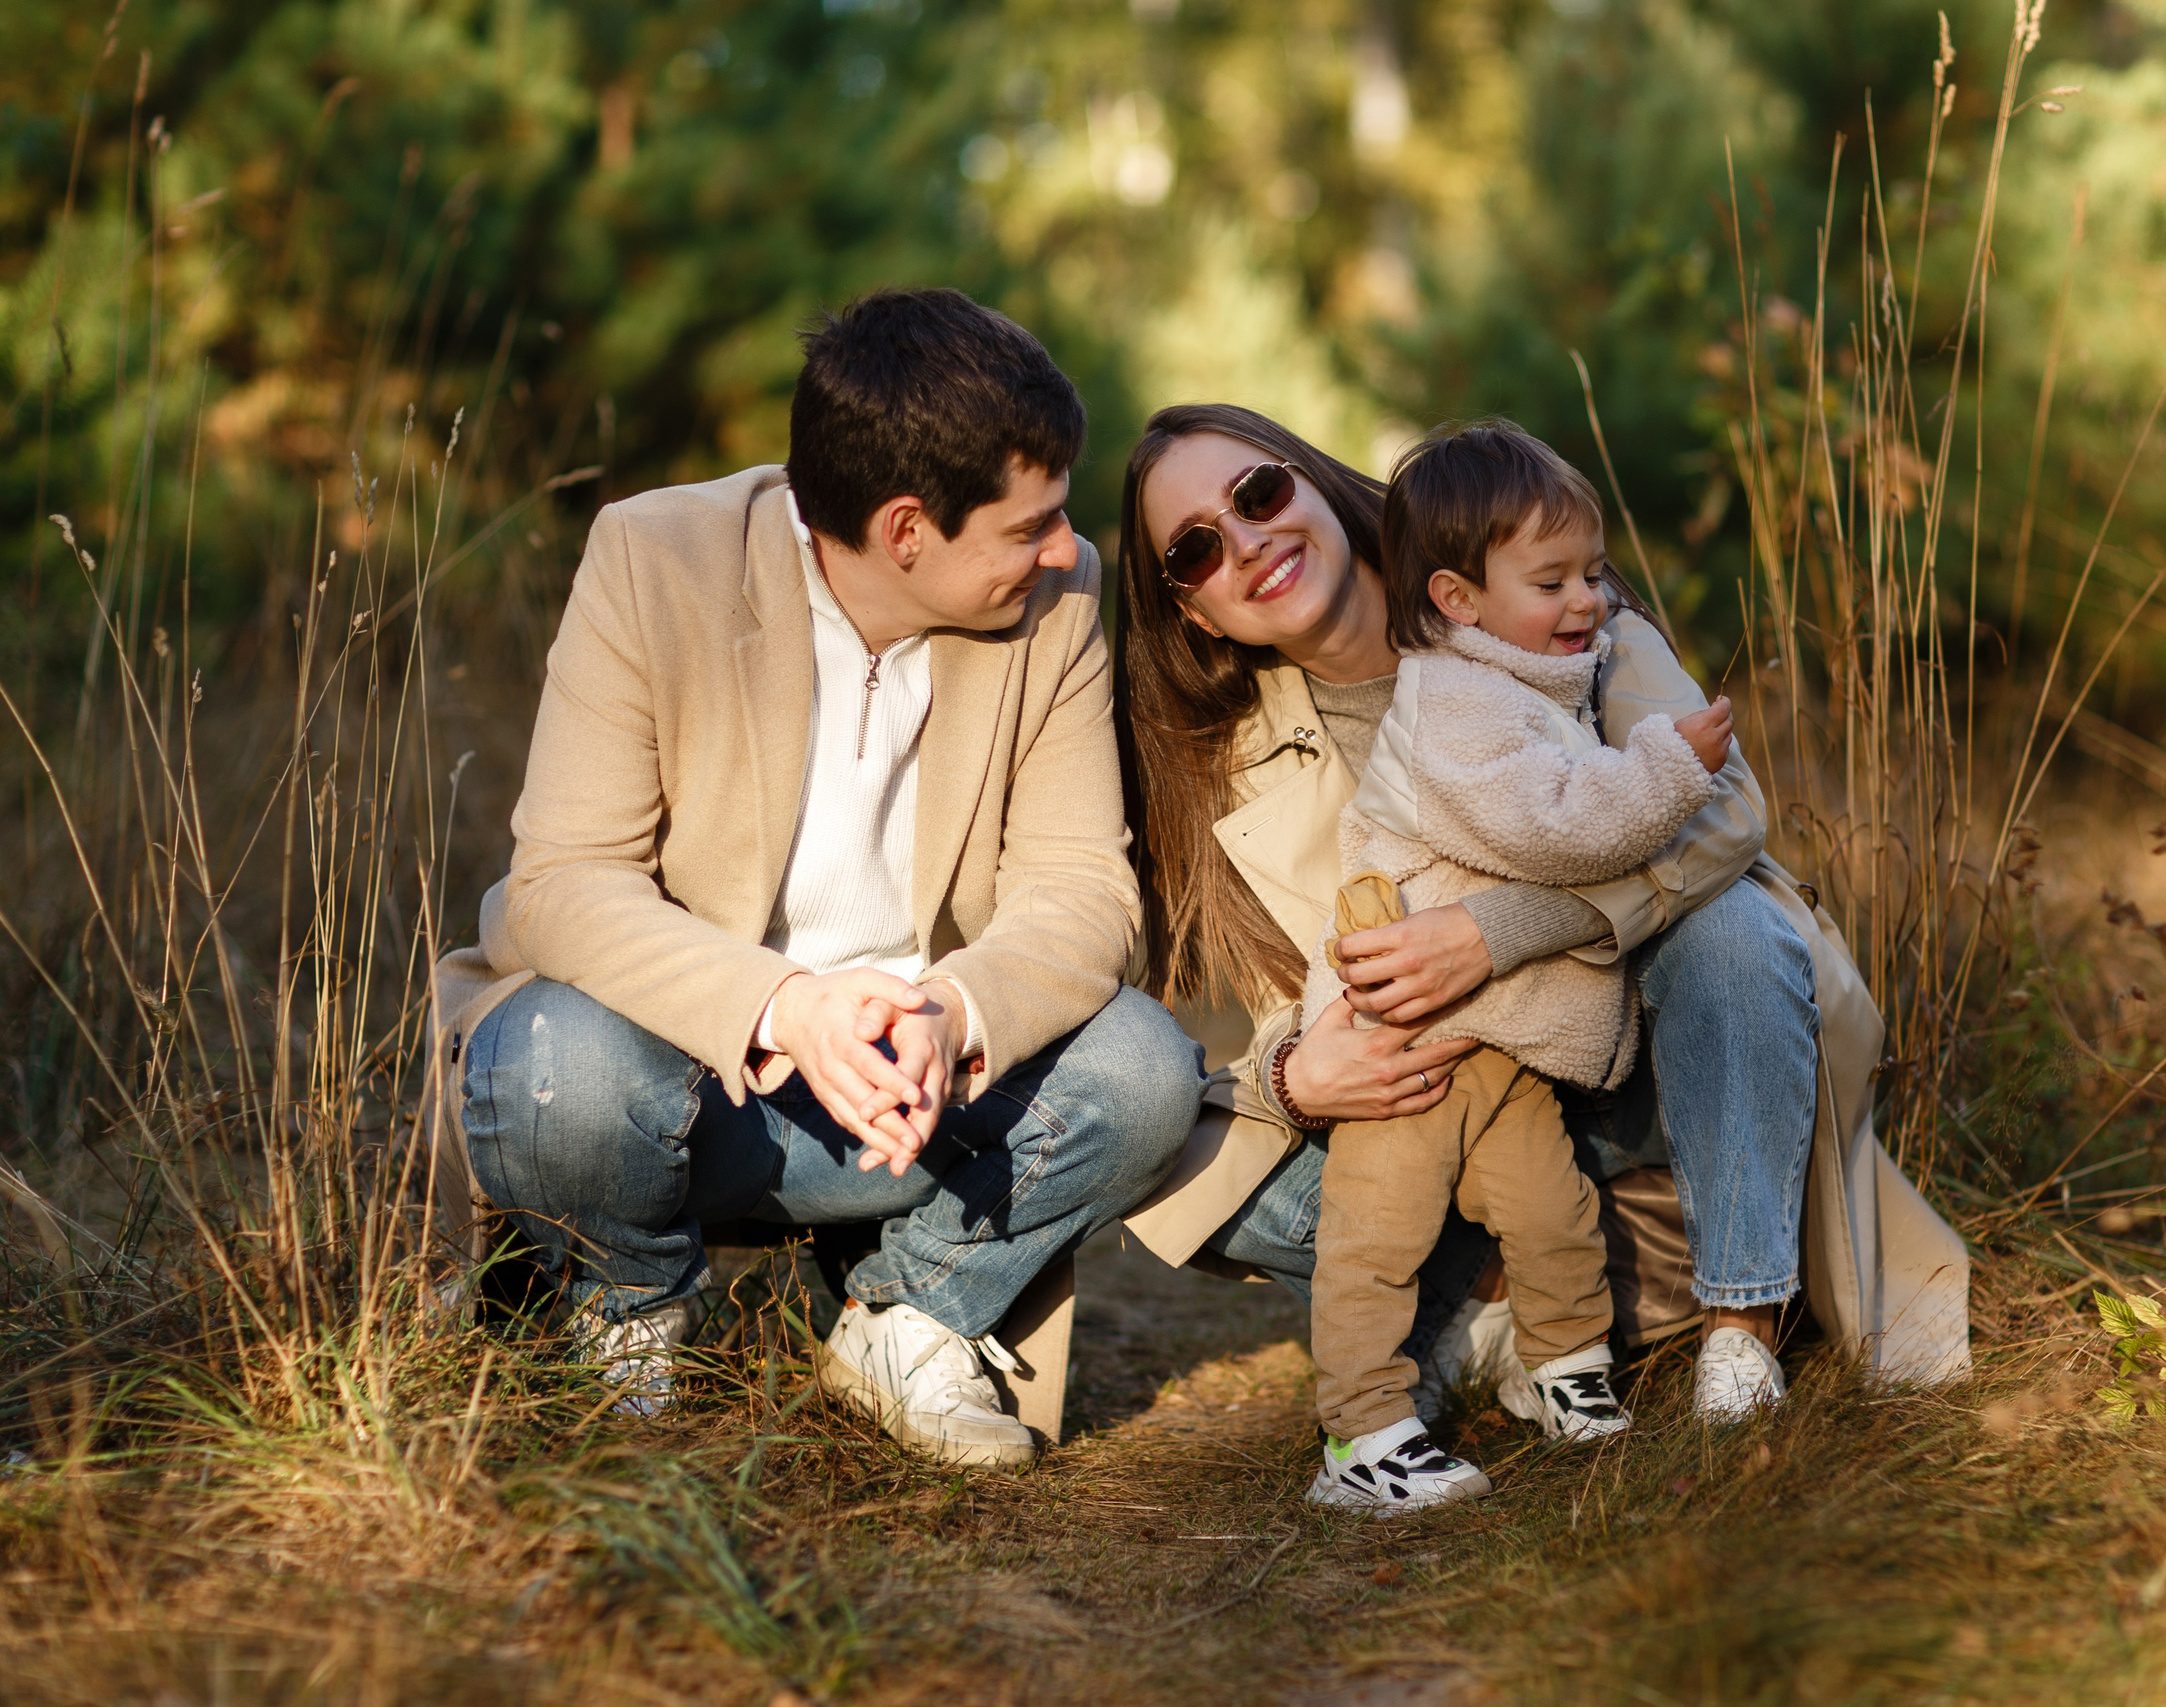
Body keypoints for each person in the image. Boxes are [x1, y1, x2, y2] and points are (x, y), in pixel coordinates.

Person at [429, 288, 1202, 1466]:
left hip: (919, 1102)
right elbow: (566, 884)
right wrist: (787, 1006)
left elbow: (1083, 890)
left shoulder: (1059, 602)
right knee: (551, 1062)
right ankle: (630, 1314)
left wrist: (951, 1012)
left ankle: (906, 1317)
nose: (1061, 546)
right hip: (676, 1082)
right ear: (905, 530)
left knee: (1147, 1069)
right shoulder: (656, 558)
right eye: (1026, 524)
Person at [1110, 403, 1970, 1439]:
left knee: (1731, 933)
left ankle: (1731, 1320)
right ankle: (1543, 1303)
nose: (1245, 541)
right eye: (1197, 548)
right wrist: (1298, 1074)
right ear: (1194, 611)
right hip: (1465, 1100)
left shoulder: (1535, 578)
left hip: (1643, 1047)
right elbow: (1287, 1000)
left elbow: (1724, 811)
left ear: (1314, 484)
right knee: (1195, 1164)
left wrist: (1498, 933)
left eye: (1258, 493)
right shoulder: (1225, 766)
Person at [1302, 421, 1737, 1510]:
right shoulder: (1456, 700)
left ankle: (1560, 1369)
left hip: (1494, 1049)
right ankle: (1359, 1439)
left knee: (1553, 1216)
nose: (1589, 599)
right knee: (1377, 1241)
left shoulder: (1536, 683)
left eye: (1591, 572)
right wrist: (1665, 767)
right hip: (1403, 1048)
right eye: (1551, 580)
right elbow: (1550, 827)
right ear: (1457, 598)